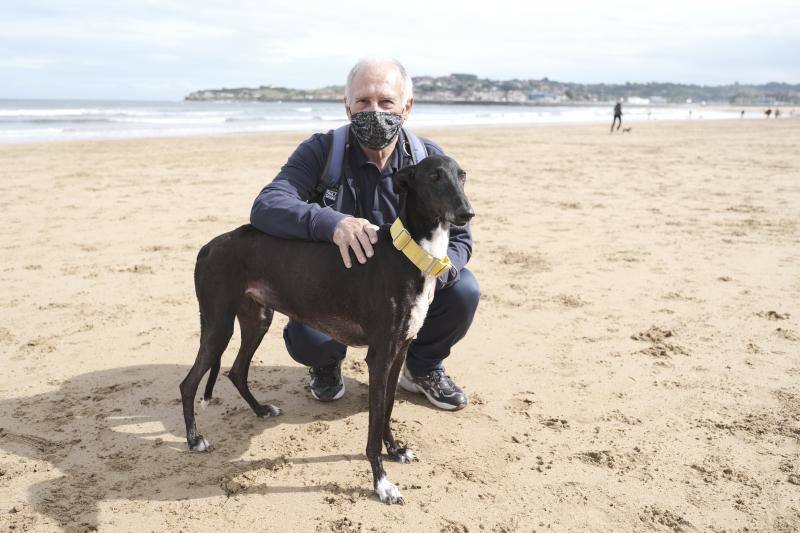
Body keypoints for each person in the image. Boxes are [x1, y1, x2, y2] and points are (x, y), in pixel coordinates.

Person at [249, 58, 480, 411]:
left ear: (407, 107)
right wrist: (330, 222)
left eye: (386, 102)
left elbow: (460, 236)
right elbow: (268, 204)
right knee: (306, 337)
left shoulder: (429, 160)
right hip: (336, 288)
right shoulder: (322, 152)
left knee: (464, 290)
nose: (374, 111)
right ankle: (325, 366)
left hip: (406, 291)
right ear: (347, 106)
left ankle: (421, 367)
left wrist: (441, 272)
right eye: (363, 102)